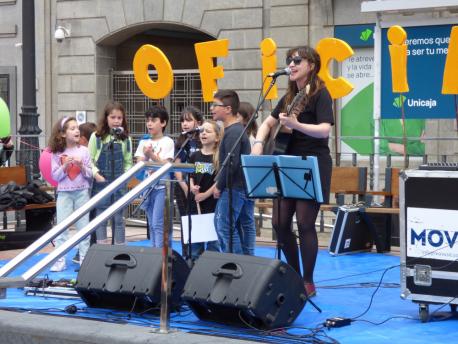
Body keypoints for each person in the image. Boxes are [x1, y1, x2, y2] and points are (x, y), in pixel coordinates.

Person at [251, 46, 334, 297]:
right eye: (289, 60)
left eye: (297, 60)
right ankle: (295, 274)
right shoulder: (289, 97)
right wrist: (257, 144)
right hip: (287, 161)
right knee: (279, 222)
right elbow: (268, 122)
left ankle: (308, 281)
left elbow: (325, 130)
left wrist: (297, 125)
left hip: (312, 162)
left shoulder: (320, 93)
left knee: (306, 223)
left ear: (311, 65)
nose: (291, 64)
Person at [212, 89, 256, 256]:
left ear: (228, 109)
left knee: (224, 225)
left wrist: (219, 185)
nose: (212, 108)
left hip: (234, 188)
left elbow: (231, 163)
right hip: (239, 186)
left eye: (216, 105)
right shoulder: (235, 131)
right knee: (239, 225)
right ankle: (244, 260)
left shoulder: (234, 132)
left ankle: (235, 261)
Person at [49, 116, 93, 271]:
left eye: (77, 128)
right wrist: (65, 166)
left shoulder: (84, 151)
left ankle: (84, 260)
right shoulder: (56, 153)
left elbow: (90, 174)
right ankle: (59, 260)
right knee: (62, 228)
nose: (76, 131)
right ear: (62, 134)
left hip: (82, 193)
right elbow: (54, 177)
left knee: (84, 228)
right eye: (72, 128)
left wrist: (81, 166)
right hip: (64, 194)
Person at [88, 101, 133, 245]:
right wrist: (96, 175)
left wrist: (125, 177)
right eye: (113, 117)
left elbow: (128, 162)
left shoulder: (126, 139)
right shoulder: (96, 137)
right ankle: (102, 248)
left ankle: (120, 250)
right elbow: (89, 160)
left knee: (118, 219)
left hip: (119, 183)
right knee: (101, 217)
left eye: (119, 118)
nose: (116, 121)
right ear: (106, 118)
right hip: (101, 182)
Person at [134, 105, 174, 248]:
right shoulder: (144, 141)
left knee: (158, 223)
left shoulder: (168, 141)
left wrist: (151, 155)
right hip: (147, 185)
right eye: (148, 120)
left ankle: (160, 256)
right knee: (151, 223)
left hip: (162, 186)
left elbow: (167, 164)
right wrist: (145, 155)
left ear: (163, 123)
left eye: (153, 120)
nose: (149, 123)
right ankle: (153, 252)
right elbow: (139, 163)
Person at [188, 120, 222, 259]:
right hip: (195, 202)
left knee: (213, 241)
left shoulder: (218, 157)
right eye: (202, 131)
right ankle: (195, 265)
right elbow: (190, 175)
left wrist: (205, 194)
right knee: (196, 241)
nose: (204, 133)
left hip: (211, 203)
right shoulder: (194, 156)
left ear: (217, 137)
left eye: (208, 131)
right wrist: (192, 187)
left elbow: (218, 179)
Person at [71, 121, 97, 264]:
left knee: (89, 222)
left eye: (78, 134)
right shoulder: (78, 152)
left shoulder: (87, 152)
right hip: (83, 192)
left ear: (84, 139)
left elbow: (90, 172)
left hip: (89, 192)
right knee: (85, 222)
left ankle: (86, 252)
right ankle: (82, 252)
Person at [174, 106, 203, 217]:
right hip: (183, 185)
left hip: (200, 183)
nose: (185, 124)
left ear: (199, 122)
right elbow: (177, 166)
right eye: (182, 121)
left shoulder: (203, 139)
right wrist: (185, 188)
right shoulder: (181, 141)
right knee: (185, 219)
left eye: (189, 120)